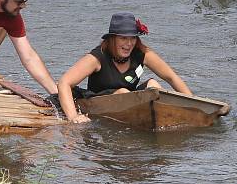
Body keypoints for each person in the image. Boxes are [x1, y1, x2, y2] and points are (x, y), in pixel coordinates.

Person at [57, 12, 192, 124]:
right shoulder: (97, 58)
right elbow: (64, 82)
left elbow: (172, 77)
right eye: (123, 38)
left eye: (132, 38)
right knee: (122, 91)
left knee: (153, 85)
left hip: (132, 104)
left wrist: (194, 107)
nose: (129, 44)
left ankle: (166, 119)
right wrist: (74, 117)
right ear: (112, 39)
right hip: (99, 104)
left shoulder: (143, 53)